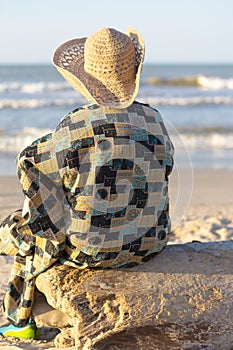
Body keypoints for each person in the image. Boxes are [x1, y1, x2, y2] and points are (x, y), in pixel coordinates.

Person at [0, 27, 174, 339]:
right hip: (150, 244)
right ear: (134, 71)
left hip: (88, 252)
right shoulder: (155, 120)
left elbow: (28, 162)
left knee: (33, 223)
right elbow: (167, 166)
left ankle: (20, 320)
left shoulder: (73, 126)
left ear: (87, 79)